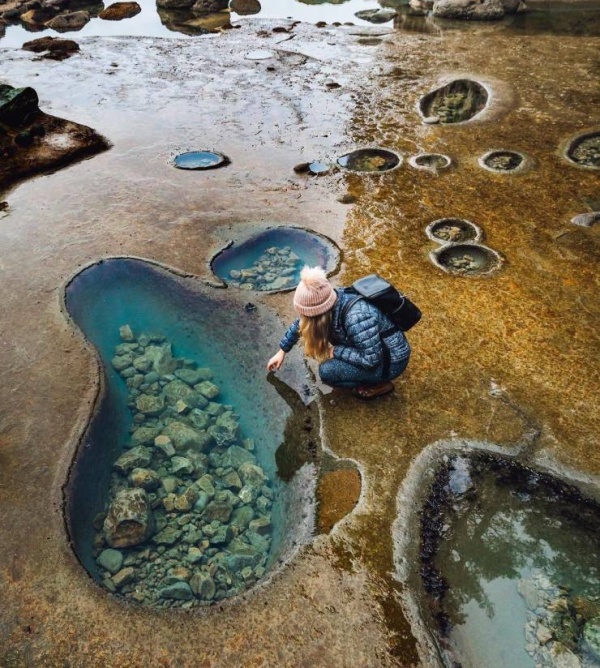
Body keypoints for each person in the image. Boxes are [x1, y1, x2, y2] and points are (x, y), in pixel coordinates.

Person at [267, 266, 411, 399]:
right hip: (373, 348)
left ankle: (381, 384)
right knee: (332, 365)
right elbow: (302, 323)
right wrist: (282, 350)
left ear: (317, 313)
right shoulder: (330, 299)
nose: (303, 317)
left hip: (391, 362)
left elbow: (370, 360)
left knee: (327, 372)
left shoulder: (357, 318)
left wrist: (336, 351)